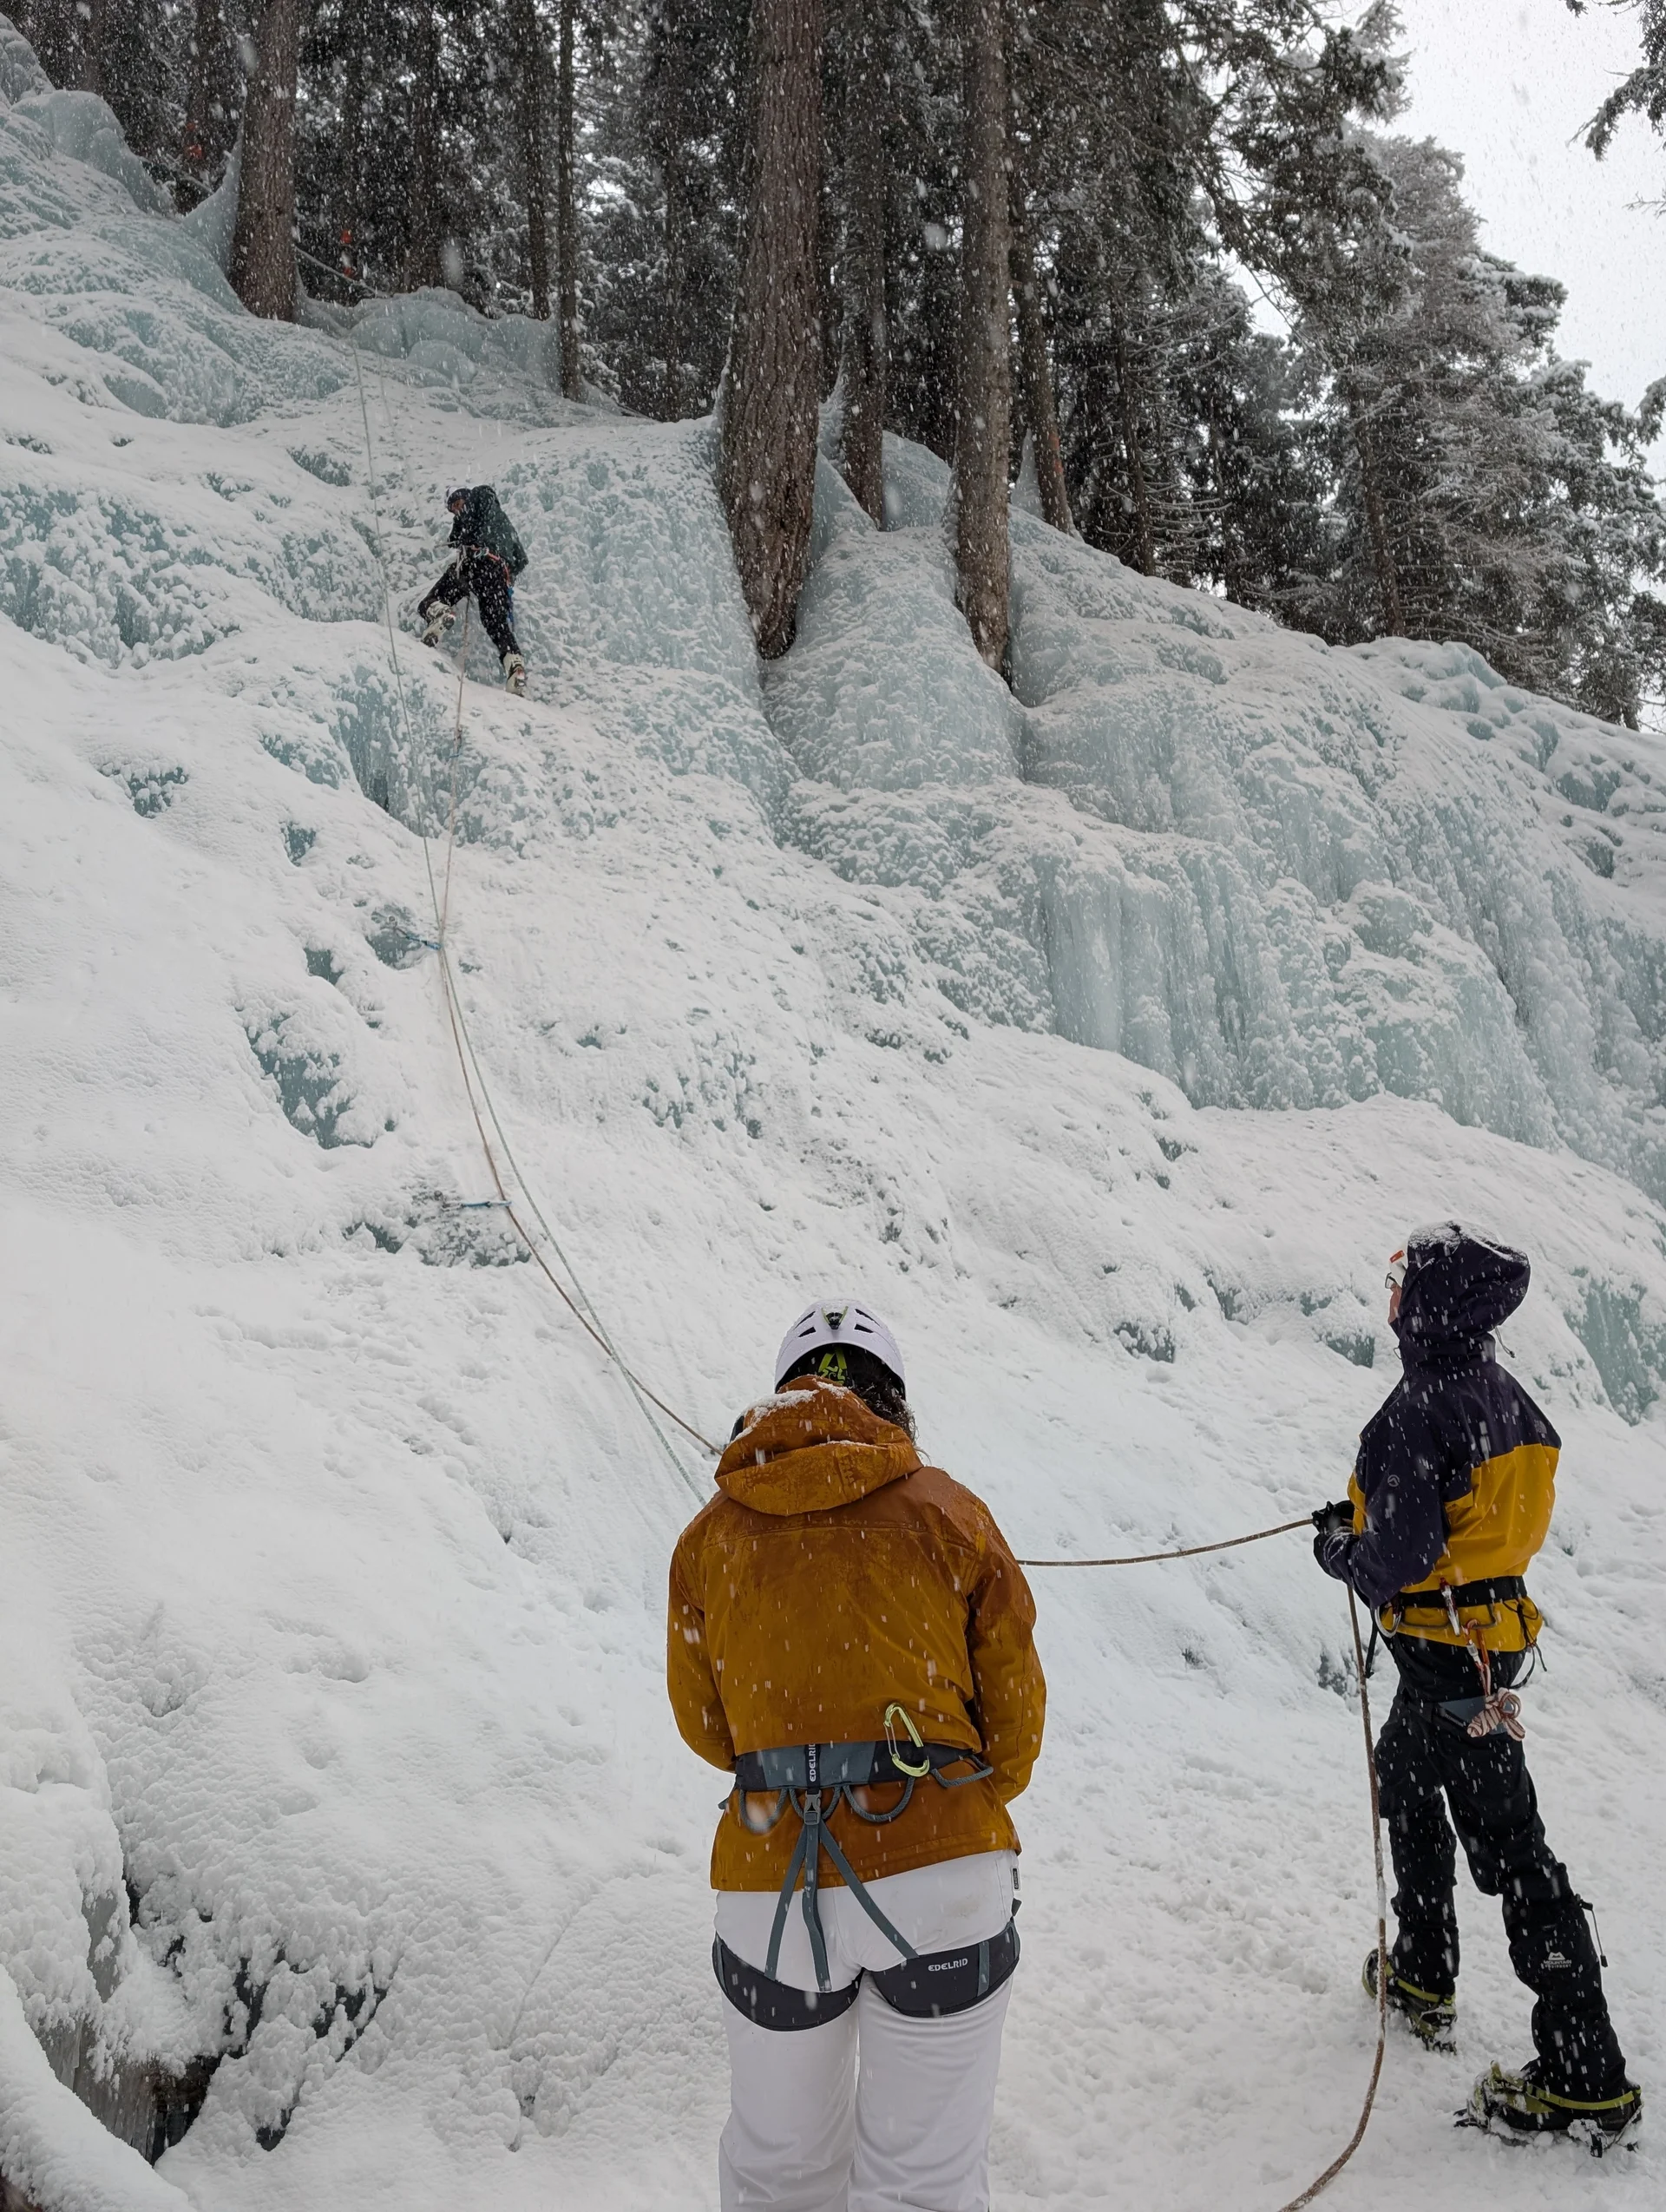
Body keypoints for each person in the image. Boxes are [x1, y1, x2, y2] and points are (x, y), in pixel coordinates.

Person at [667, 1300, 1046, 2212]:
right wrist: (944, 1802)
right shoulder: (950, 1510)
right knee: (923, 2183)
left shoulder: (710, 1536)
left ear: (788, 1389)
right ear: (893, 1401)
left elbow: (706, 1727)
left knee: (776, 2173)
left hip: (769, 1877)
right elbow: (1015, 1720)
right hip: (942, 1868)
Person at [1313, 1222, 1640, 2153]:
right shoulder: (1511, 1399)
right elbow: (1465, 1521)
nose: (1392, 1299)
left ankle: (1587, 2074)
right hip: (1479, 1645)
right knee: (1407, 1781)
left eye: (1401, 1283)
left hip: (1447, 1649)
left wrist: (1343, 1547)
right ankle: (1423, 1969)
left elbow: (1399, 1554)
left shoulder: (1416, 1408)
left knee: (1514, 1851)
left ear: (1428, 1303)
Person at [418, 484, 528, 695]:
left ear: (465, 497)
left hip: (476, 565)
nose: (457, 511)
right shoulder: (504, 523)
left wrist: (459, 535)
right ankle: (515, 668)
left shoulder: (478, 498)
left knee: (427, 603)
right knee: (495, 624)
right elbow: (522, 559)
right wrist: (506, 570)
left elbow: (466, 523)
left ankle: (440, 612)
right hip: (499, 578)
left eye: (457, 505)